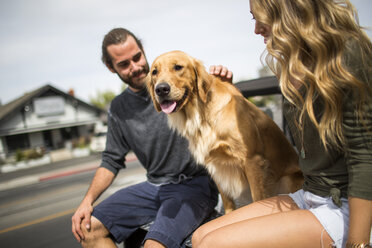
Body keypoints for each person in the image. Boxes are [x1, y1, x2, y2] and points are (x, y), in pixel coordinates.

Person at [192, 0, 372, 247]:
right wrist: (230, 90)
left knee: (213, 244)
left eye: (259, 17)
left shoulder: (347, 52)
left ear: (286, 8)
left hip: (341, 204)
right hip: (309, 193)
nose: (256, 29)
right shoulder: (292, 63)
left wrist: (358, 243)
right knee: (199, 236)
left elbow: (364, 158)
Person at [71, 27, 233, 248]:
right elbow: (110, 159)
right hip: (153, 187)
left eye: (137, 57)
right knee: (87, 229)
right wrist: (87, 202)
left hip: (193, 185)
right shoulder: (119, 108)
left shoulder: (176, 86)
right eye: (124, 64)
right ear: (111, 67)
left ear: (143, 50)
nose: (135, 67)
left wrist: (224, 82)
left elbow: (218, 106)